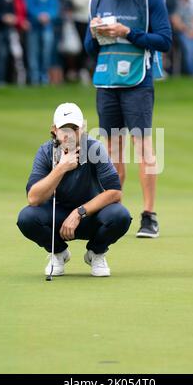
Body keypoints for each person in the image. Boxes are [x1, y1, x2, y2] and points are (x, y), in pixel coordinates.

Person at [84, 0, 172, 238]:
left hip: (138, 79)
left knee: (143, 147)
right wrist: (95, 32)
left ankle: (149, 216)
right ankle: (114, 212)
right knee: (111, 153)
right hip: (107, 79)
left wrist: (128, 32)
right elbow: (89, 48)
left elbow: (164, 40)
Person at [17, 103, 132, 277]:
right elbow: (33, 198)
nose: (69, 136)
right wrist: (61, 168)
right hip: (57, 218)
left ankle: (96, 253)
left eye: (74, 129)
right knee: (27, 218)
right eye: (64, 129)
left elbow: (115, 192)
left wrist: (79, 213)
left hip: (90, 216)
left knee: (120, 216)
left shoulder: (94, 148)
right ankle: (58, 252)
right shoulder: (46, 152)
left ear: (83, 129)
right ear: (54, 130)